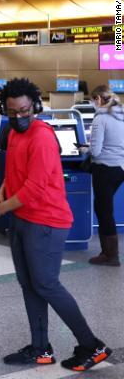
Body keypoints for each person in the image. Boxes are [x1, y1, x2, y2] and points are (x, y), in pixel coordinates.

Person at [0, 78, 112, 372]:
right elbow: (12, 178)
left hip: (47, 221)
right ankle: (40, 349)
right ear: (5, 110)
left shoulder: (41, 136)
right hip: (24, 219)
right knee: (29, 284)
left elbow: (33, 189)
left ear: (35, 107)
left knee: (47, 284)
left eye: (25, 111)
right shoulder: (13, 134)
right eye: (13, 112)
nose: (20, 117)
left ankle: (92, 345)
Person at [86, 85, 124, 266]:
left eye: (93, 100)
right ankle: (109, 253)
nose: (93, 103)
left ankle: (110, 255)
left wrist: (85, 148)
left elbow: (96, 150)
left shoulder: (100, 119)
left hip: (105, 168)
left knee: (103, 210)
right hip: (120, 168)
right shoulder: (121, 114)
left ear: (99, 99)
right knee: (106, 208)